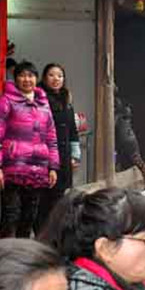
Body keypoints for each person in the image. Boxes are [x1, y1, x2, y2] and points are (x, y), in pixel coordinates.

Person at [0, 61, 60, 239]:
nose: (27, 79)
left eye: (31, 75)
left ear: (36, 79)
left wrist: (53, 167)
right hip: (12, 168)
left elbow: (51, 137)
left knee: (29, 216)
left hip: (37, 169)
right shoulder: (5, 102)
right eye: (22, 75)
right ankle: (3, 255)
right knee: (10, 216)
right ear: (15, 78)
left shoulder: (43, 104)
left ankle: (22, 255)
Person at [37, 63, 81, 231]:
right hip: (46, 155)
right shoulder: (39, 99)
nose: (56, 79)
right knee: (45, 198)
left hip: (64, 155)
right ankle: (42, 232)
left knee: (59, 195)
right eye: (52, 75)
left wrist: (74, 155)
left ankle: (54, 231)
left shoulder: (66, 100)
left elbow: (72, 130)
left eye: (60, 76)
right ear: (44, 78)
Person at [114, 89, 145, 173]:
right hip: (126, 138)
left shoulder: (120, 116)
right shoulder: (120, 115)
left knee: (135, 159)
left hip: (126, 139)